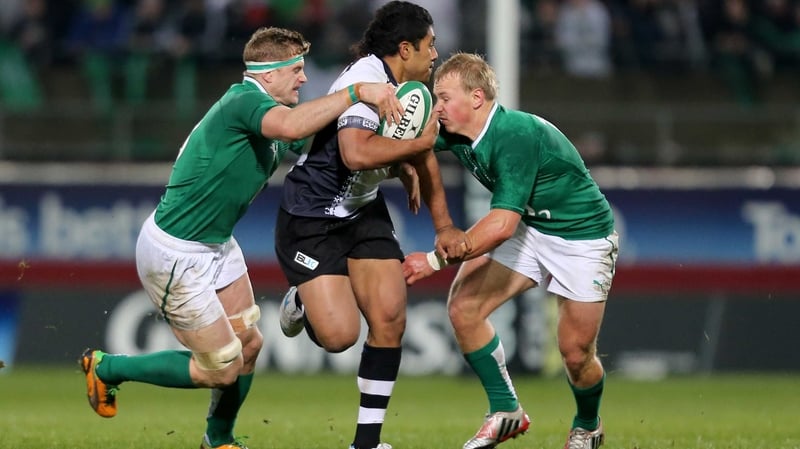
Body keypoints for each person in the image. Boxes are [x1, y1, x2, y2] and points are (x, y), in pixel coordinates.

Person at [79, 26, 409, 449]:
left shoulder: (268, 108)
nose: (304, 79)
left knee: (249, 345)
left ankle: (219, 440)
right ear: (268, 74)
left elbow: (319, 141)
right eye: (296, 70)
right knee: (219, 367)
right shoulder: (245, 102)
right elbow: (292, 128)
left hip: (217, 245)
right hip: (177, 252)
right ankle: (108, 369)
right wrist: (358, 91)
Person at [275, 3, 468, 449]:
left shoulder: (408, 88)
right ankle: (301, 297)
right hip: (312, 215)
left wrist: (444, 226)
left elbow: (422, 155)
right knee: (340, 336)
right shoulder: (367, 79)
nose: (435, 53)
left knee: (390, 317)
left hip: (362, 210)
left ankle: (366, 443)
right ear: (406, 48)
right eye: (429, 44)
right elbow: (355, 155)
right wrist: (414, 149)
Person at [403, 52, 619, 449]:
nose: (438, 107)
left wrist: (435, 259)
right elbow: (414, 148)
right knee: (464, 308)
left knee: (576, 355)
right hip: (533, 227)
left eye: (445, 97)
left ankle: (588, 426)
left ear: (477, 98)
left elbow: (501, 226)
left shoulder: (514, 135)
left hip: (582, 238)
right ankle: (506, 411)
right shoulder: (458, 130)